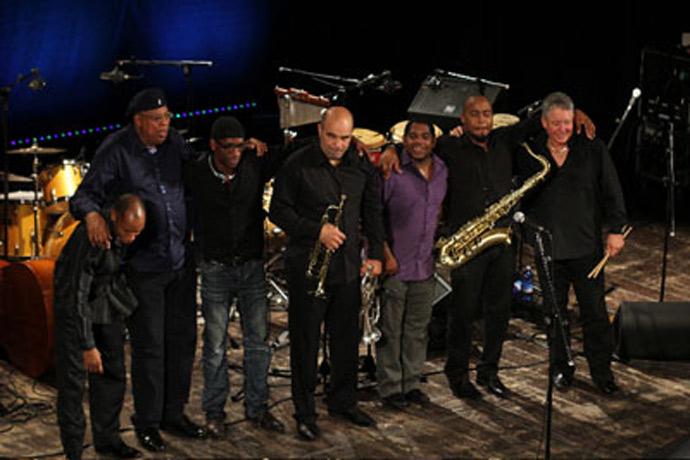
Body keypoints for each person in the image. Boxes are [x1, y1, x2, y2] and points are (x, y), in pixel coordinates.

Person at [379, 95, 595, 401]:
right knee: (463, 313)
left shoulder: (504, 140)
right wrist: (391, 148)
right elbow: (416, 144)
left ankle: (489, 371)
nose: (481, 120)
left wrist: (576, 110)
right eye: (475, 115)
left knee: (499, 311)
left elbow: (537, 120)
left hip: (502, 239)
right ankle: (457, 375)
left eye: (486, 114)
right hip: (467, 243)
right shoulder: (449, 146)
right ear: (463, 119)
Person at [70, 88, 207, 453]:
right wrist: (93, 215)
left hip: (179, 259)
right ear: (139, 121)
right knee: (150, 348)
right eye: (158, 119)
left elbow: (195, 171)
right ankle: (147, 422)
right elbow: (82, 195)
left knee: (182, 341)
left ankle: (173, 413)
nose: (166, 125)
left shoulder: (174, 142)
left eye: (168, 118)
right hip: (144, 267)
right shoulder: (116, 149)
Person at [269, 106, 384, 441]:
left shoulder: (360, 166)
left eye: (345, 138)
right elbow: (278, 211)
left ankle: (343, 402)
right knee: (305, 345)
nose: (338, 144)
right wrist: (316, 230)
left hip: (347, 269)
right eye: (332, 136)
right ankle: (305, 413)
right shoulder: (297, 164)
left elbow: (372, 210)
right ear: (320, 131)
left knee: (346, 341)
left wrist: (376, 254)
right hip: (308, 270)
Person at [185, 116, 286, 438]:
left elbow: (294, 148)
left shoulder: (253, 163)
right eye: (228, 147)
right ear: (213, 146)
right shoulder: (197, 172)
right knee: (215, 345)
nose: (234, 153)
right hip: (215, 268)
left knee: (258, 342)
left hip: (251, 266)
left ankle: (257, 408)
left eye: (239, 147)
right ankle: (214, 412)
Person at [521, 91, 627, 395]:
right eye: (556, 124)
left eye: (567, 122)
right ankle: (561, 367)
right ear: (544, 123)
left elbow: (612, 191)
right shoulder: (530, 152)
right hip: (549, 250)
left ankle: (602, 373)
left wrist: (617, 229)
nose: (563, 129)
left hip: (586, 248)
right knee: (555, 314)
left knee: (595, 313)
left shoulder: (592, 148)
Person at [54, 194, 145, 460]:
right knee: (73, 386)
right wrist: (87, 345)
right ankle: (74, 453)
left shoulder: (124, 233)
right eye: (128, 231)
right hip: (73, 310)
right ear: (114, 216)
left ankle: (108, 440)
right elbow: (75, 296)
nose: (131, 239)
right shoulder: (90, 237)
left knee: (113, 372)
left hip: (104, 303)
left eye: (137, 233)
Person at [376, 120, 447, 410]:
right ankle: (391, 387)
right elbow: (373, 215)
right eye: (413, 136)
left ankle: (411, 383)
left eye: (424, 137)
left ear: (433, 141)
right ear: (404, 140)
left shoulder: (442, 170)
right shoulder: (391, 171)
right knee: (391, 331)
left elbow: (438, 209)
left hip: (425, 266)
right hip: (395, 264)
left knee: (418, 329)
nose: (418, 141)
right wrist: (385, 254)